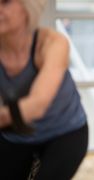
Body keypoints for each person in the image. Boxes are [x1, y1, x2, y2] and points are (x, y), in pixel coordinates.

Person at [0, 0, 88, 179]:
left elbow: (38, 104)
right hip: (15, 135)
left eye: (6, 2)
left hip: (65, 132)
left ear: (27, 7)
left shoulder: (51, 43)